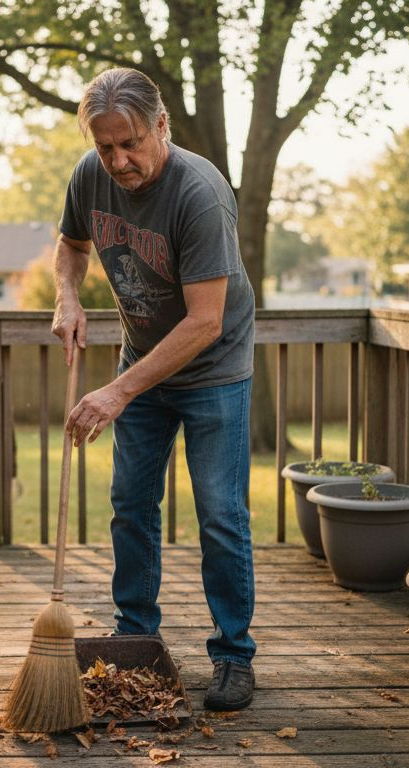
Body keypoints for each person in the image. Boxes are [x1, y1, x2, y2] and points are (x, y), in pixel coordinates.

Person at [51, 67, 258, 711]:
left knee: (221, 514)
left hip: (212, 369)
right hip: (143, 357)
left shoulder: (200, 194)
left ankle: (232, 655)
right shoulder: (92, 174)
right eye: (104, 145)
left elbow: (205, 322)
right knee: (130, 503)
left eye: (130, 144)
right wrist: (67, 295)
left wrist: (117, 393)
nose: (117, 160)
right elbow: (71, 245)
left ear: (161, 127)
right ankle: (135, 635)